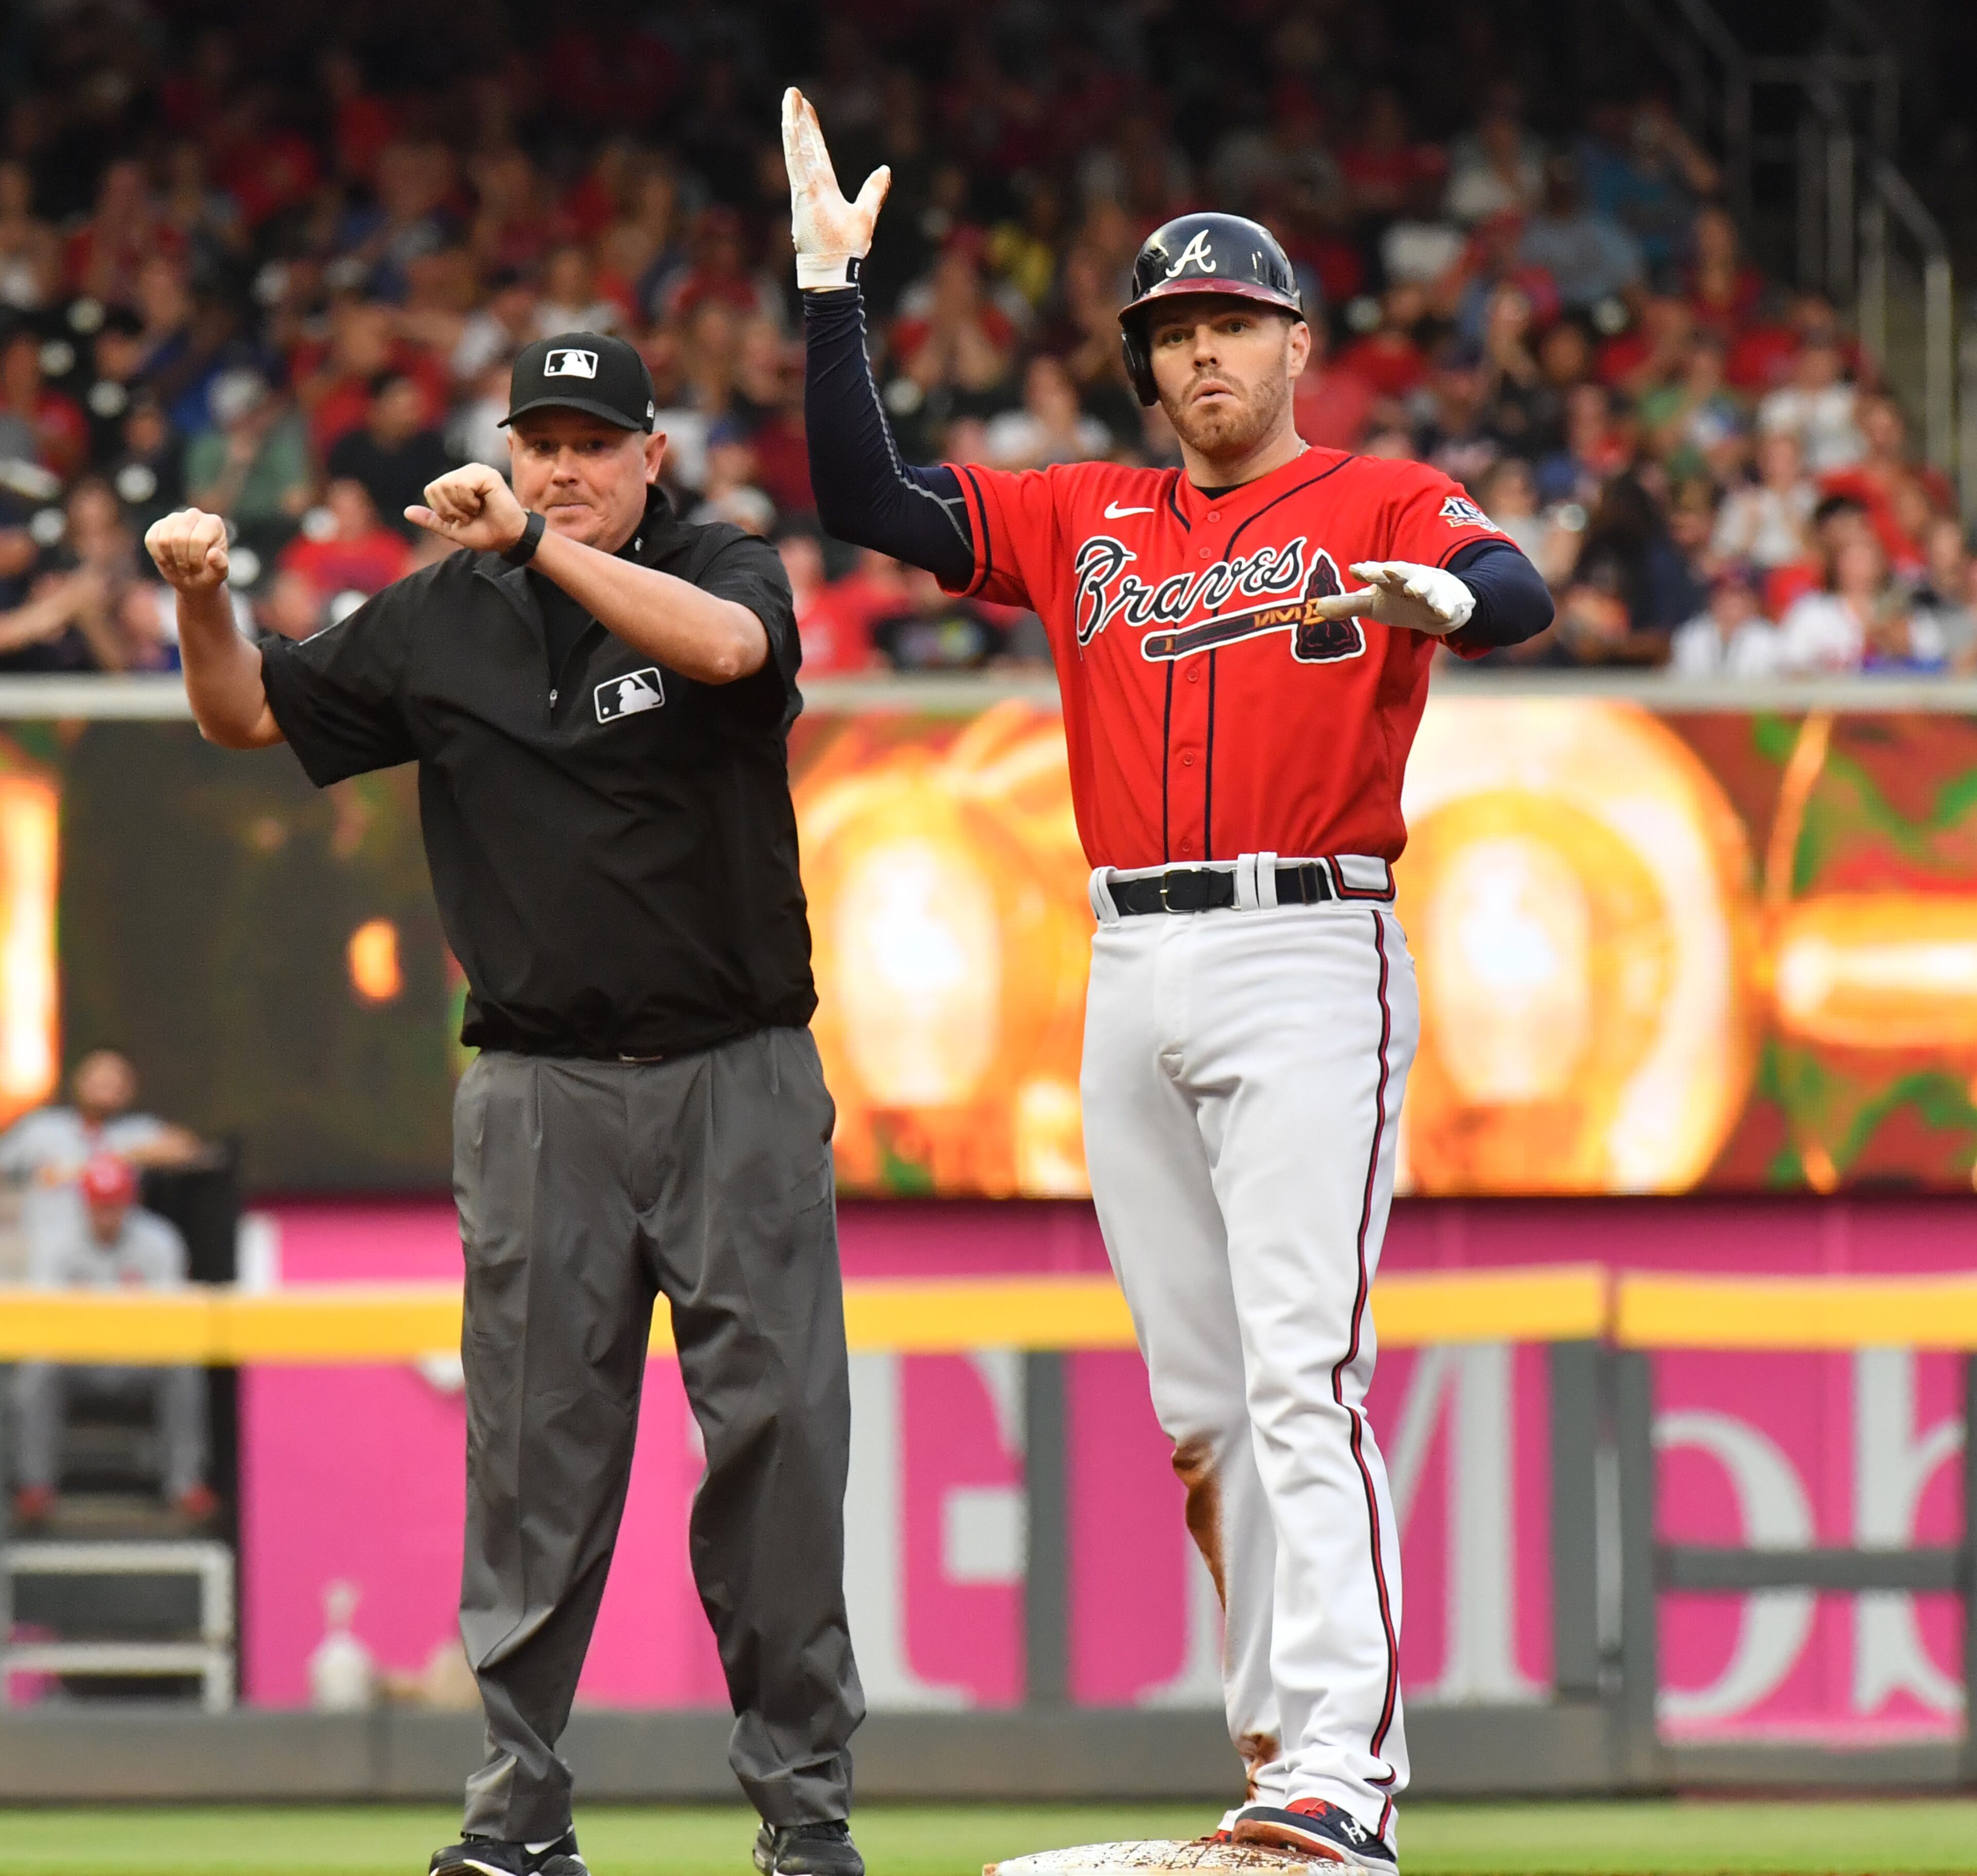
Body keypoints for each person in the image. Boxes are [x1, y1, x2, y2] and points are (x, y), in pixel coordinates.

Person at [786, 91, 1552, 1874]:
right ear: (1148, 367)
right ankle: (1279, 1755)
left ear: (1295, 343)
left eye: (1231, 325)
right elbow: (866, 497)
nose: (1204, 354)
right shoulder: (1086, 515)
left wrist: (1442, 603)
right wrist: (834, 291)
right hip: (1131, 954)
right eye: (1175, 335)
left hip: (1310, 940)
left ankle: (1347, 1778)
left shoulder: (1377, 494)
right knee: (1205, 1403)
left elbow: (1508, 584)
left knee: (1305, 1370)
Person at [145, 331, 863, 1876]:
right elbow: (241, 718)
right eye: (538, 438)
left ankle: (804, 1818)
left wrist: (535, 544)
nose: (561, 465)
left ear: (650, 456)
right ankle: (518, 1821)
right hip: (536, 1086)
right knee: (532, 1470)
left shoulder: (719, 561)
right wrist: (204, 598)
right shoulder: (440, 616)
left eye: (593, 440)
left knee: (779, 1449)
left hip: (734, 1069)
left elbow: (732, 657)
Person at [11, 1153, 214, 1526]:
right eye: (99, 1205)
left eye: (114, 1204)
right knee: (36, 1369)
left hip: (136, 1359)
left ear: (130, 1202)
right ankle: (35, 1486)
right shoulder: (58, 1242)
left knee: (183, 1365)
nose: (106, 1214)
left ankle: (185, 1485)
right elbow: (43, 1317)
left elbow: (170, 1319)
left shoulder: (159, 1240)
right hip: (78, 1359)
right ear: (85, 1203)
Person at [0, 1048, 205, 1284]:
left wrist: (110, 1161)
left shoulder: (135, 1131)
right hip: (47, 1253)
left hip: (116, 1254)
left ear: (129, 1089)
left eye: (115, 1080)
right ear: (79, 1081)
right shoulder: (44, 1127)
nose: (105, 1086)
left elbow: (188, 1148)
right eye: (98, 1078)